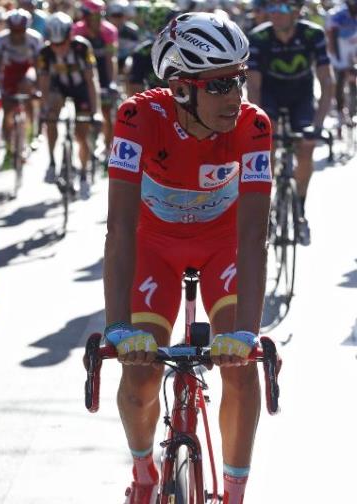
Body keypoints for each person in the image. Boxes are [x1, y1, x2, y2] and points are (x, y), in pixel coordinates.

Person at [104, 13, 272, 504]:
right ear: (180, 88)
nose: (234, 95)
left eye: (238, 79)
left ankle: (235, 494)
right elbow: (119, 230)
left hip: (224, 246)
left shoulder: (253, 125)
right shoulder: (137, 118)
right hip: (154, 247)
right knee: (140, 374)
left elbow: (253, 236)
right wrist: (117, 328)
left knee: (240, 368)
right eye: (219, 84)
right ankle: (144, 473)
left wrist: (246, 333)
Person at [247, 0, 333, 245]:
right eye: (271, 8)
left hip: (301, 96)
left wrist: (318, 125)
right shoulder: (259, 37)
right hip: (270, 95)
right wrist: (259, 124)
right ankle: (267, 209)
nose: (275, 13)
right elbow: (253, 86)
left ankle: (300, 210)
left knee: (306, 147)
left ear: (296, 12)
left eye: (282, 8)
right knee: (267, 147)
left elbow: (327, 82)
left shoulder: (312, 34)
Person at [37, 12, 100, 196]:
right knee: (51, 115)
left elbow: (91, 80)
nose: (58, 48)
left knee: (81, 134)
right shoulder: (45, 53)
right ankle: (52, 163)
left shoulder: (82, 47)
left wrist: (96, 111)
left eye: (62, 43)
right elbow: (44, 83)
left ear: (70, 36)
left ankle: (84, 174)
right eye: (54, 44)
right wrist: (44, 108)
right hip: (59, 88)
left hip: (81, 89)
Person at [0, 9, 43, 166]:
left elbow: (38, 65)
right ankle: (9, 148)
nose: (16, 34)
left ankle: (31, 131)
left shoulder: (34, 38)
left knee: (27, 87)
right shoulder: (2, 38)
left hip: (27, 68)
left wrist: (38, 87)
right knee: (7, 108)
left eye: (20, 30)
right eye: (13, 31)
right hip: (10, 70)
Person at [73, 0, 119, 150]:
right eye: (93, 17)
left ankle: (107, 148)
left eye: (100, 16)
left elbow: (111, 59)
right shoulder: (77, 30)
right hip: (83, 73)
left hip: (103, 71)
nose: (97, 21)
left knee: (107, 112)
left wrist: (112, 82)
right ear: (85, 17)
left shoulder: (109, 31)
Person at [324, 0, 357, 124]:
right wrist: (333, 50)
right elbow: (330, 32)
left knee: (353, 78)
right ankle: (340, 111)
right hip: (340, 49)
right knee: (340, 81)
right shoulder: (338, 13)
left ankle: (353, 110)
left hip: (353, 46)